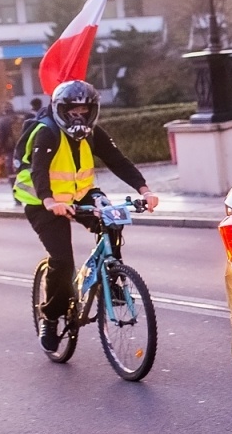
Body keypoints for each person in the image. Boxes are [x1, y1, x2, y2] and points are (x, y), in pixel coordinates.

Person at [12, 80, 159, 351]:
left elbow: (117, 160)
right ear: (60, 110)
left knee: (113, 218)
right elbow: (38, 171)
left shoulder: (93, 133)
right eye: (73, 111)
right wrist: (49, 200)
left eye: (84, 110)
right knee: (62, 260)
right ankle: (51, 317)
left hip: (79, 195)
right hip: (41, 201)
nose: (79, 116)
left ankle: (113, 279)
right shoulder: (47, 133)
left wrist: (145, 190)